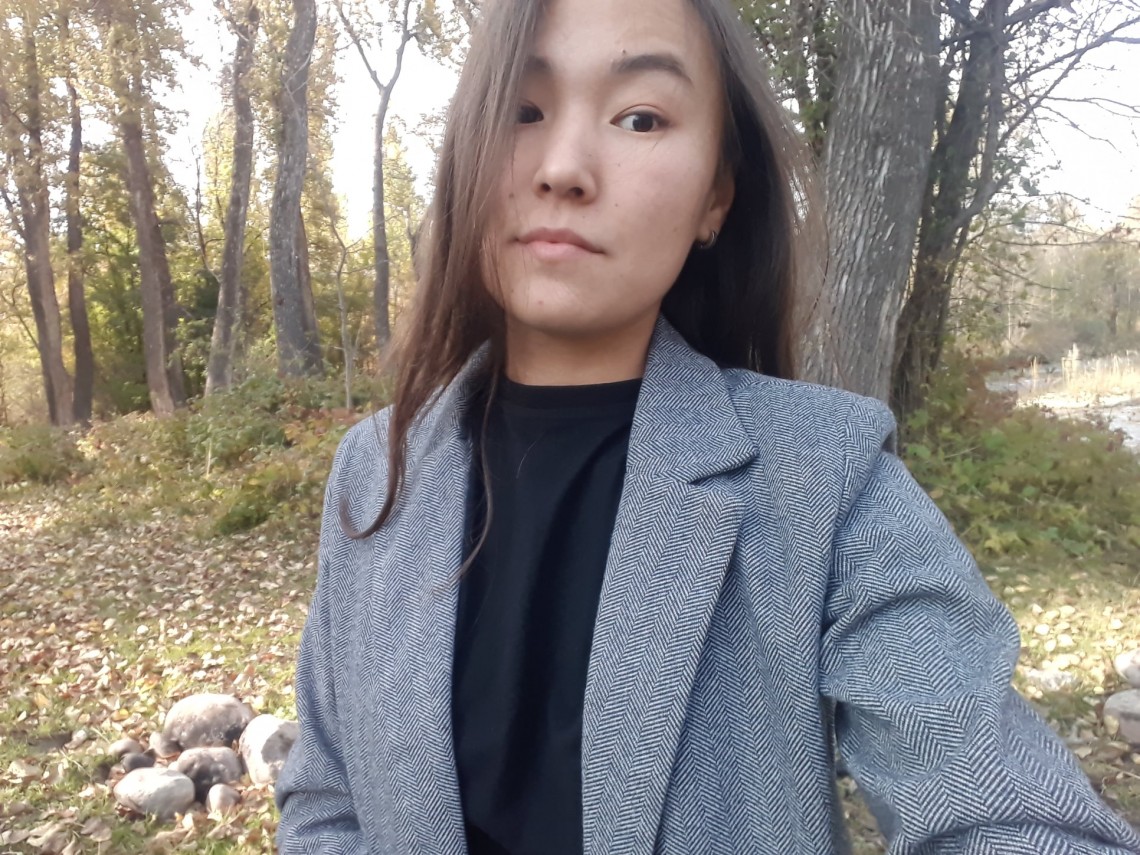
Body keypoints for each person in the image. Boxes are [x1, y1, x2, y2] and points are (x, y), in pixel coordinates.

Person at [274, 0, 1140, 851]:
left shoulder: (826, 476)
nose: (563, 168)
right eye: (522, 110)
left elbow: (1000, 805)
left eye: (641, 118)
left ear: (716, 197)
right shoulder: (375, 470)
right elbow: (328, 800)